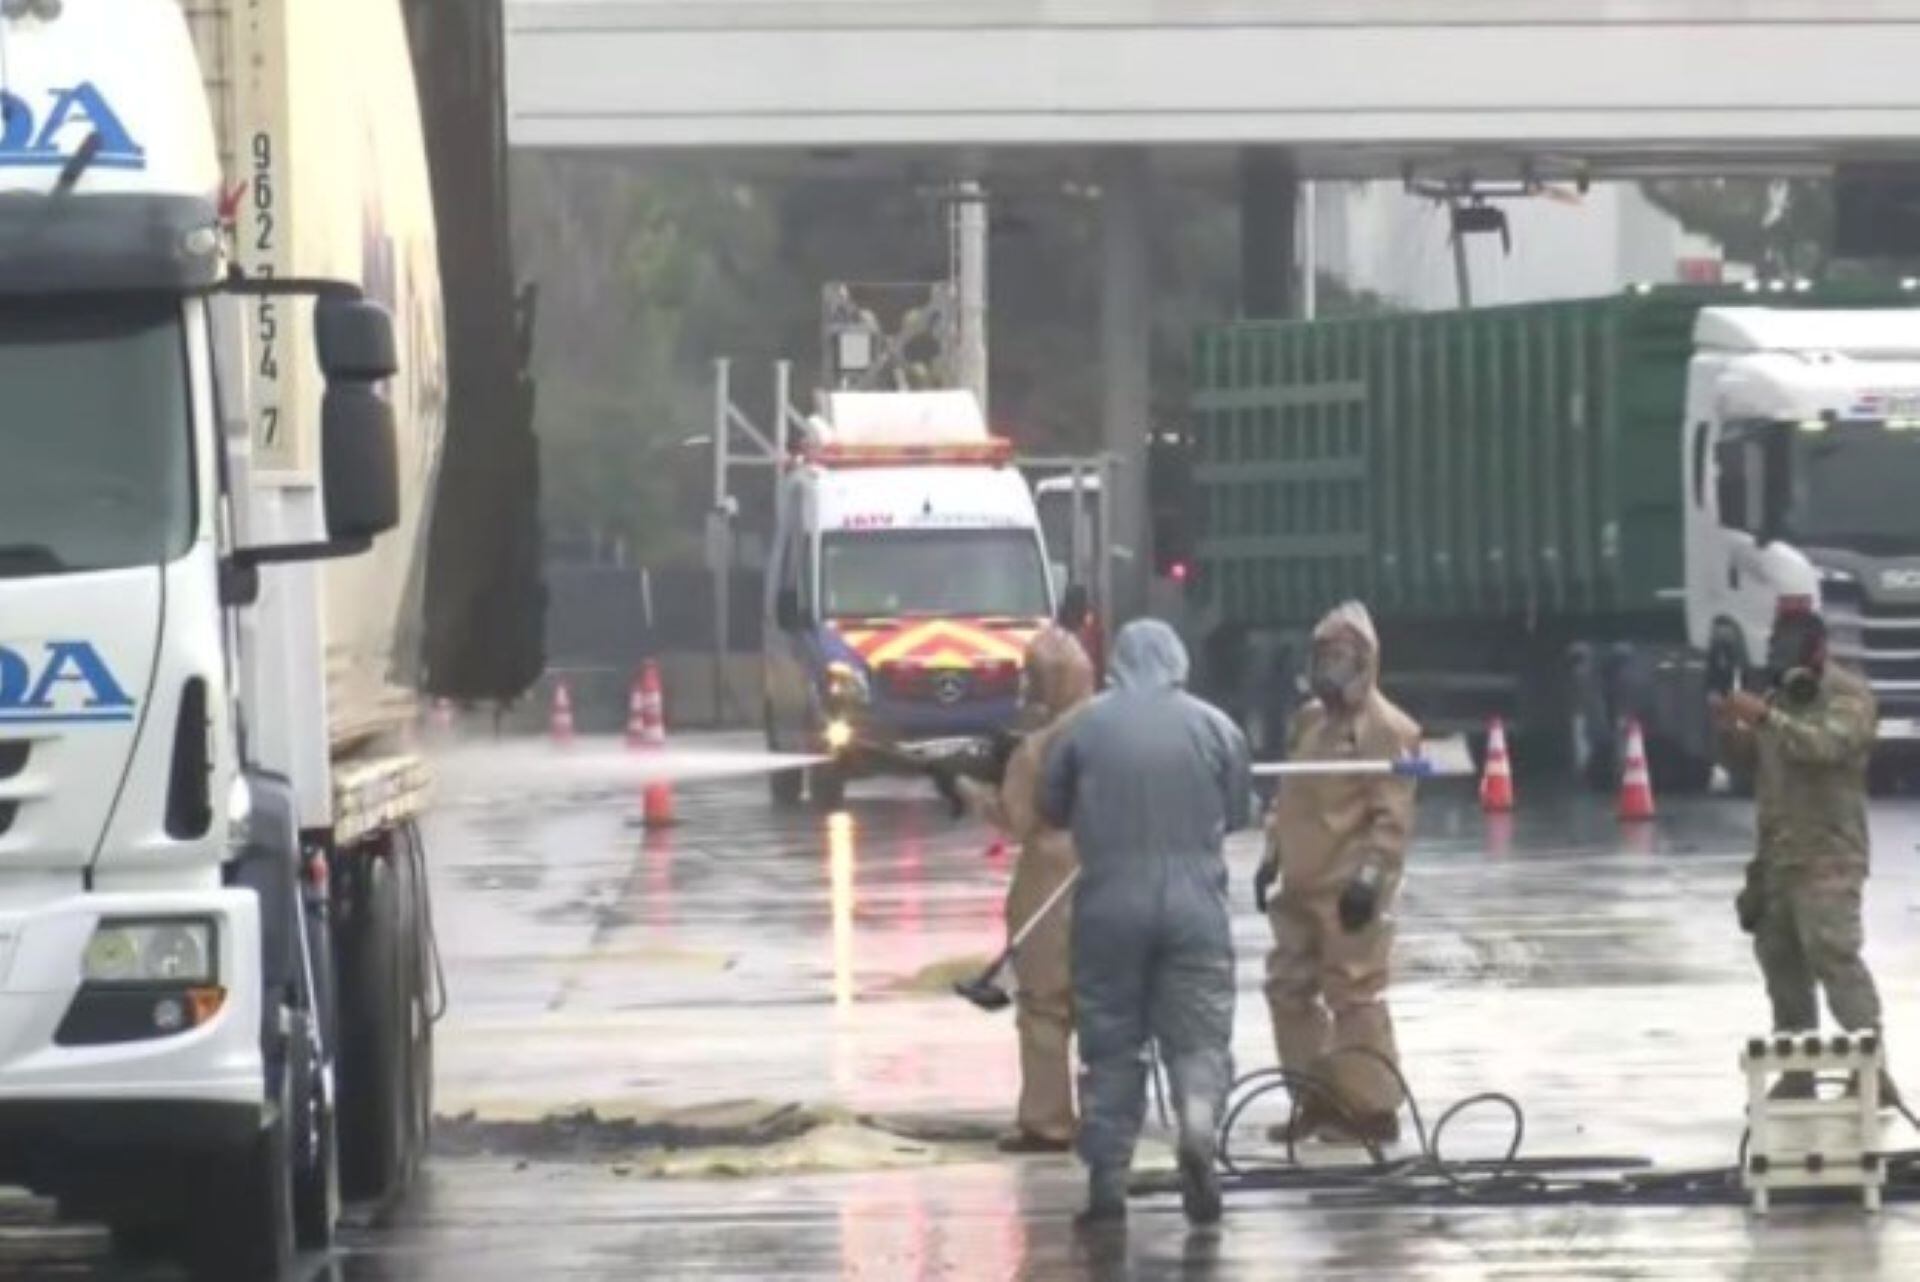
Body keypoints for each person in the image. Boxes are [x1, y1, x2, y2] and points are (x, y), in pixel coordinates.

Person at [1039, 619, 1253, 1227]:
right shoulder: (1215, 726)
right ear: (1178, 660)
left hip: (1109, 906)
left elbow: (1049, 806)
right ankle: (1197, 1128)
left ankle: (1108, 1182)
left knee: (1110, 1045)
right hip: (1194, 907)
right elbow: (1238, 812)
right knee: (1199, 1036)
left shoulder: (1084, 726)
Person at [1714, 605, 1894, 1103]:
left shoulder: (1847, 697)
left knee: (1834, 957)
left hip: (1829, 854)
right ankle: (1798, 1070)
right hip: (1778, 854)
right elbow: (1751, 760)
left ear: (1818, 650)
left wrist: (1766, 717)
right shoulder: (1779, 695)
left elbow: (1826, 747)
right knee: (1781, 962)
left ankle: (1870, 1069)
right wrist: (1732, 727)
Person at [1257, 601, 1420, 1146]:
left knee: (1354, 997)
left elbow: (1391, 821)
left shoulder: (1386, 729)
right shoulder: (1309, 722)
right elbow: (1289, 797)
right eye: (1323, 655)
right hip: (1300, 887)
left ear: (1366, 659)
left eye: (1341, 656)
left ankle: (1372, 1107)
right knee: (1287, 992)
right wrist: (1271, 857)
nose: (1330, 666)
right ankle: (1318, 1099)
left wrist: (1369, 883)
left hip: (1348, 893)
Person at [958, 627, 1097, 1153]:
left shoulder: (1039, 749)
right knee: (1102, 1005)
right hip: (1108, 875)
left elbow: (1016, 819)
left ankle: (1047, 1122)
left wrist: (969, 791)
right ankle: (1107, 1112)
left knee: (1044, 1005)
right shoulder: (1108, 723)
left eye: (1035, 677)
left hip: (1050, 882)